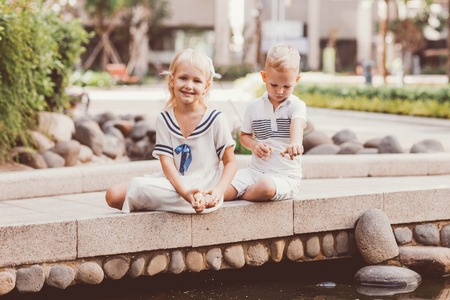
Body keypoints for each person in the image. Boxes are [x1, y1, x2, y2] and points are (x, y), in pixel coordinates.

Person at [105, 48, 237, 214]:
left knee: (134, 191)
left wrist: (219, 190)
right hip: (175, 184)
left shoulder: (216, 119)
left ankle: (198, 200)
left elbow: (230, 161)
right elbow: (167, 163)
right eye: (183, 78)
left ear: (206, 86)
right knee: (113, 195)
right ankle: (184, 201)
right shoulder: (164, 119)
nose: (189, 85)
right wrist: (185, 193)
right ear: (172, 80)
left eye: (197, 81)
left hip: (206, 185)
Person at [224, 43, 307, 202]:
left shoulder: (296, 106)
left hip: (285, 177)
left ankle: (243, 194)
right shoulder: (254, 107)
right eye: (273, 85)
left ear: (296, 80)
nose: (280, 91)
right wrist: (255, 145)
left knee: (265, 188)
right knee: (223, 188)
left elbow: (298, 125)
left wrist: (295, 144)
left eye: (287, 86)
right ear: (264, 77)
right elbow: (244, 137)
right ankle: (203, 199)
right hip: (254, 171)